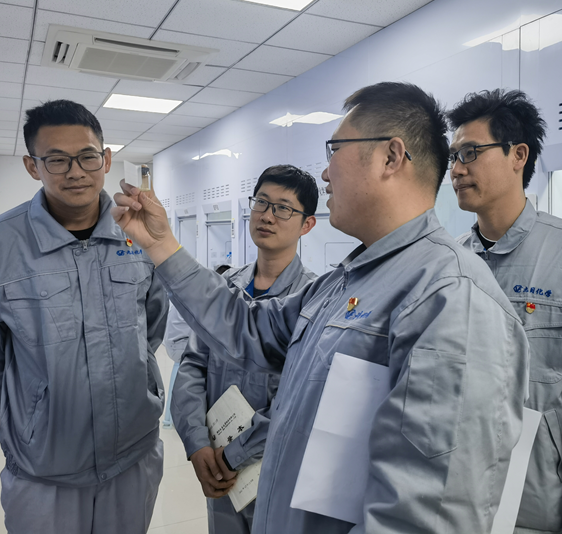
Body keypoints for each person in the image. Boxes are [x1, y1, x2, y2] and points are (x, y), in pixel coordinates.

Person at [113, 82, 529, 533]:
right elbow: (246, 327)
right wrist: (162, 246)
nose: (326, 173)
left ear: (391, 157)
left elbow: (422, 516)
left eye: (335, 150)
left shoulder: (451, 297)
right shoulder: (345, 282)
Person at [0, 100, 169, 534]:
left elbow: (151, 325)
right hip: (44, 471)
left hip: (132, 454)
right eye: (56, 159)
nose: (75, 172)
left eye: (87, 156)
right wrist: (34, 413)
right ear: (32, 166)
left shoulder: (137, 234)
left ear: (105, 159)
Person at [447, 89, 562, 534]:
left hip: (536, 515)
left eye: (470, 153)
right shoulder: (449, 261)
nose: (456, 169)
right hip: (452, 506)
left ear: (518, 155)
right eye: (453, 156)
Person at [171, 165, 318, 534]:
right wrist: (197, 444)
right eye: (261, 203)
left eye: (283, 208)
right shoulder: (224, 287)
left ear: (307, 225)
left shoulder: (312, 302)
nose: (267, 216)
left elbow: (299, 399)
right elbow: (192, 364)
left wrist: (234, 455)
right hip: (218, 468)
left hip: (273, 469)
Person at [161, 264, 232, 430]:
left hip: (175, 341)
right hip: (179, 344)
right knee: (220, 358)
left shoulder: (199, 291)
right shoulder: (204, 297)